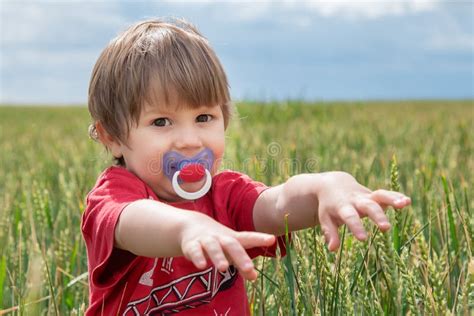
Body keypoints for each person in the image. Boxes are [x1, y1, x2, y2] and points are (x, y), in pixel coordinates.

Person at [82, 18, 411, 315]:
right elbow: (132, 221)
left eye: (203, 118)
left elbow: (279, 204)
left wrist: (326, 186)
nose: (189, 140)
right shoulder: (112, 199)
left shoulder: (225, 195)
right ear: (112, 137)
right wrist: (188, 228)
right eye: (161, 121)